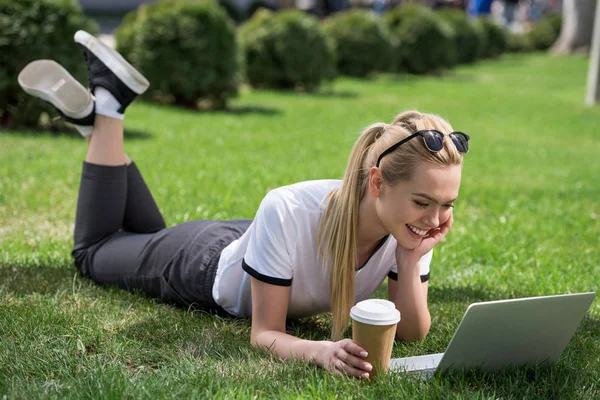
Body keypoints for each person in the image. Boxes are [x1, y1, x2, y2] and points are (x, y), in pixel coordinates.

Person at [18, 31, 469, 379]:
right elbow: (264, 334)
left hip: (256, 244)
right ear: (377, 182)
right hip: (204, 263)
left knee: (141, 237)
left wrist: (411, 259)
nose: (435, 219)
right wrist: (319, 352)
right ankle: (111, 106)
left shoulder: (411, 225)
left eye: (447, 203)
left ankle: (94, 127)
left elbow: (409, 333)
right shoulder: (291, 208)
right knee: (94, 251)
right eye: (423, 201)